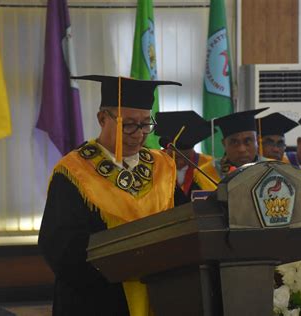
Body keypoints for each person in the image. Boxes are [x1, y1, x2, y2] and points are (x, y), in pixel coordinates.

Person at [38, 75, 182, 316]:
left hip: (159, 292)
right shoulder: (74, 171)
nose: (139, 133)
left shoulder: (162, 166)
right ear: (102, 118)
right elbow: (59, 246)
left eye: (146, 124)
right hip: (99, 300)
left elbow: (184, 221)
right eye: (129, 124)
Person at [197, 108, 269, 185]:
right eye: (234, 142)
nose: (242, 149)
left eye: (247, 141)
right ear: (224, 144)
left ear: (257, 141)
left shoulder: (272, 168)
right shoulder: (206, 174)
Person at [154, 110, 216, 197]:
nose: (180, 163)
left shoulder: (208, 165)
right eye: (175, 157)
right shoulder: (154, 162)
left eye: (186, 158)